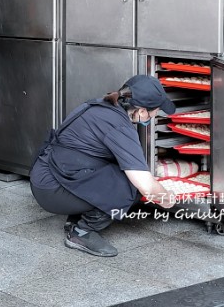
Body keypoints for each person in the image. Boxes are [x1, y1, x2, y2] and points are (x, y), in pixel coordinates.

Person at [29, 75, 178, 258]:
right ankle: (82, 232)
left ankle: (74, 219)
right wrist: (166, 198)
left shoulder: (102, 105)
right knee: (130, 186)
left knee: (118, 169)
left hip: (47, 174)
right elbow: (145, 185)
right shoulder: (119, 126)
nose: (155, 115)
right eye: (155, 111)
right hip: (52, 188)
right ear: (141, 112)